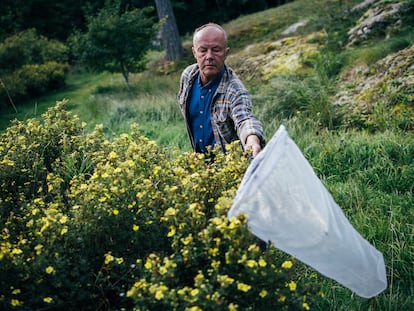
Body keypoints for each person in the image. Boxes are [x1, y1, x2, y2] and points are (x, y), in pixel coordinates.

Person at [178, 23, 265, 158]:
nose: (209, 56)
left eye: (216, 50)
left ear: (226, 53)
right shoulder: (188, 76)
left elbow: (245, 119)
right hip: (198, 165)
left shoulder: (234, 90)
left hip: (227, 170)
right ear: (194, 52)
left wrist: (252, 140)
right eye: (203, 50)